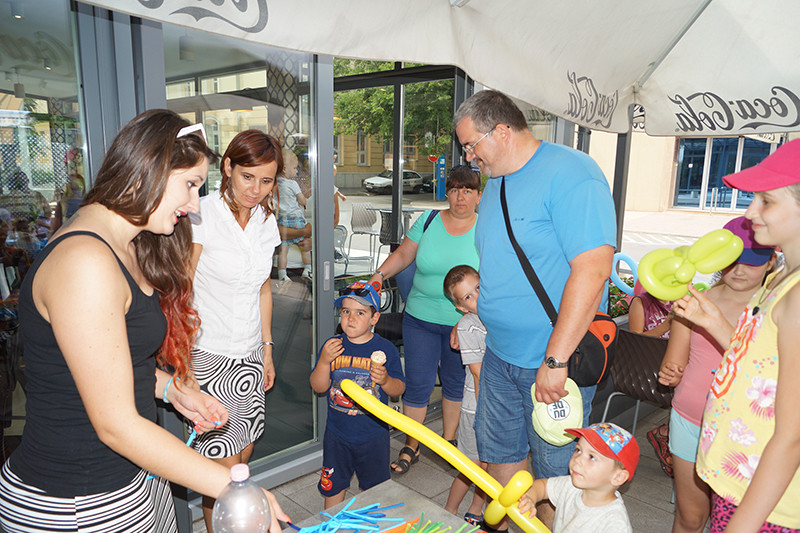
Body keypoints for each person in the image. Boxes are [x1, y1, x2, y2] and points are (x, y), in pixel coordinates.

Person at [0, 110, 287, 533]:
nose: (194, 205)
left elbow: (111, 364)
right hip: (78, 499)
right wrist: (233, 487)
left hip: (131, 478)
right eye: (189, 185)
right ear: (148, 171)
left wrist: (171, 388)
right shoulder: (85, 262)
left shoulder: (126, 245)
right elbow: (115, 424)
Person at [453, 90, 616, 530]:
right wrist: (474, 317)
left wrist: (556, 359)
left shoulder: (572, 174)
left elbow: (593, 270)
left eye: (472, 145)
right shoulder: (499, 180)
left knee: (555, 480)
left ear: (502, 132)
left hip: (550, 366)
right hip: (499, 358)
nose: (469, 157)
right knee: (502, 467)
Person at [672, 139, 800, 532]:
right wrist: (713, 323)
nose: (750, 212)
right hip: (739, 483)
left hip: (764, 506)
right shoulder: (782, 278)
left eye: (766, 201)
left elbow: (792, 435)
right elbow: (760, 366)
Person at [188, 129, 283, 532]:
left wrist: (267, 349)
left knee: (241, 462)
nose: (256, 189)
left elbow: (264, 287)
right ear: (227, 167)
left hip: (248, 357)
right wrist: (183, 367)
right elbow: (180, 291)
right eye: (248, 176)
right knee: (224, 478)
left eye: (266, 180)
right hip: (209, 357)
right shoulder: (200, 214)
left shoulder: (266, 220)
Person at [658, 216, 776, 533]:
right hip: (690, 421)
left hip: (744, 431)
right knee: (690, 516)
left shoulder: (775, 309)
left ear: (770, 262)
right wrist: (670, 372)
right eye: (730, 262)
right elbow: (674, 363)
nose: (738, 270)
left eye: (751, 262)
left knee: (734, 521)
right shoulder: (698, 301)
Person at [367, 165, 482, 474]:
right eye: (455, 189)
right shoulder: (429, 220)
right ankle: (412, 444)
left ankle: (448, 442)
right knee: (417, 383)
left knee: (455, 383)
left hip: (464, 324)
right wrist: (378, 277)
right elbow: (404, 256)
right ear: (448, 193)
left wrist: (471, 317)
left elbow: (494, 280)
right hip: (420, 318)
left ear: (478, 196)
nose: (460, 197)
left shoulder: (485, 229)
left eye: (468, 190)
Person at [309, 281, 405, 509]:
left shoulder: (386, 349)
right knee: (332, 487)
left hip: (373, 436)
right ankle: (330, 524)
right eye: (345, 311)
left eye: (360, 312)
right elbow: (318, 386)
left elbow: (398, 389)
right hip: (336, 435)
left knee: (374, 490)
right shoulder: (332, 346)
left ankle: (370, 523)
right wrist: (323, 361)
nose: (350, 319)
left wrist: (385, 380)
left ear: (374, 319)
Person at [518, 422, 638, 533]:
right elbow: (543, 486)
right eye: (578, 450)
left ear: (618, 477)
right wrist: (530, 497)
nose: (578, 459)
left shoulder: (615, 523)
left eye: (592, 457)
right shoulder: (570, 485)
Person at [442, 264, 488, 525]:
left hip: (498, 406)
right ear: (461, 307)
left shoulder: (501, 317)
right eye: (468, 297)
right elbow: (478, 373)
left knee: (489, 466)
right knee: (470, 466)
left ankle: (476, 508)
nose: (477, 298)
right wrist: (485, 413)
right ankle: (449, 509)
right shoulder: (468, 327)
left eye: (478, 288)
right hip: (477, 408)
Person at [276, 148, 312, 282]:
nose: (297, 172)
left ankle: (282, 275)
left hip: (282, 220)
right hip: (295, 221)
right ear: (285, 168)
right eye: (295, 168)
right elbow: (302, 200)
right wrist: (304, 200)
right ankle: (308, 269)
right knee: (304, 247)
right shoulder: (293, 184)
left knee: (283, 250)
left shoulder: (274, 184)